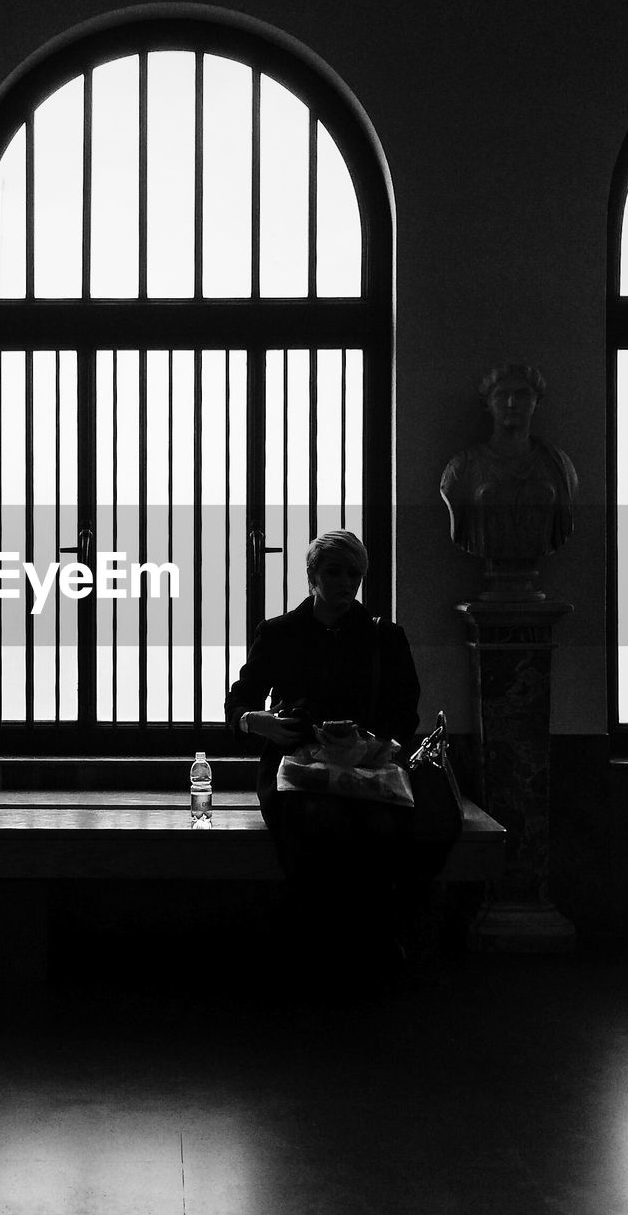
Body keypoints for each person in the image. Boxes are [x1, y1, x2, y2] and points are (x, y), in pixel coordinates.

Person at [225, 530, 427, 981]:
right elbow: (237, 704)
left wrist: (372, 741)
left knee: (378, 825)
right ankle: (323, 945)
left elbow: (404, 711)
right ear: (312, 575)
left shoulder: (384, 638)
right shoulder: (280, 633)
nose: (344, 582)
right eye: (333, 571)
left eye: (353, 573)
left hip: (367, 765)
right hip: (298, 765)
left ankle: (364, 941)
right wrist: (262, 723)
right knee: (320, 820)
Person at [440, 362, 578, 568]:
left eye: (522, 395)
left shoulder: (558, 466)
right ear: (487, 403)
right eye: (501, 395)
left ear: (537, 401)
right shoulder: (462, 468)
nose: (512, 403)